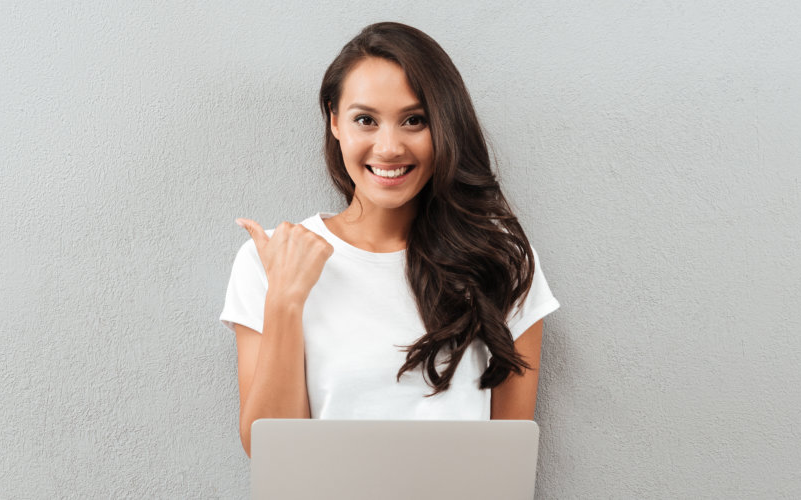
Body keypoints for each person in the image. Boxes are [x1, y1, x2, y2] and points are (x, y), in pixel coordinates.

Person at [220, 22, 559, 457]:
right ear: (334, 120)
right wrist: (285, 299)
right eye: (366, 120)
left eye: (414, 121)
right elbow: (272, 453)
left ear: (444, 127)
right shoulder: (269, 260)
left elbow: (508, 459)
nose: (389, 148)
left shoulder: (501, 261)